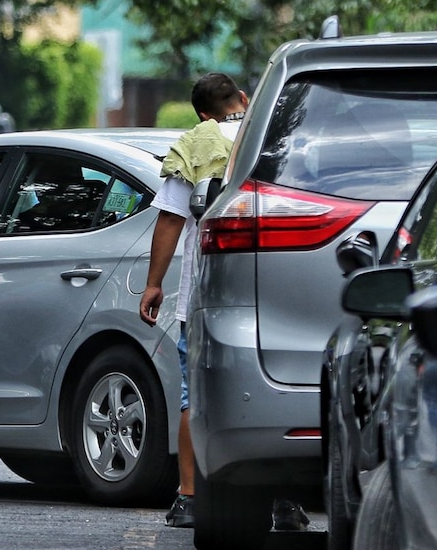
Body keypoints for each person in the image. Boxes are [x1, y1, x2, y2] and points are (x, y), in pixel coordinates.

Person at [140, 73, 310, 532]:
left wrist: (154, 284)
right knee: (276, 395)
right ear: (244, 99)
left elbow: (171, 220)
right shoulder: (278, 136)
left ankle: (189, 497)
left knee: (194, 395)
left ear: (202, 114)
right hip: (274, 294)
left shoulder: (196, 142)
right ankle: (285, 503)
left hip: (206, 294)